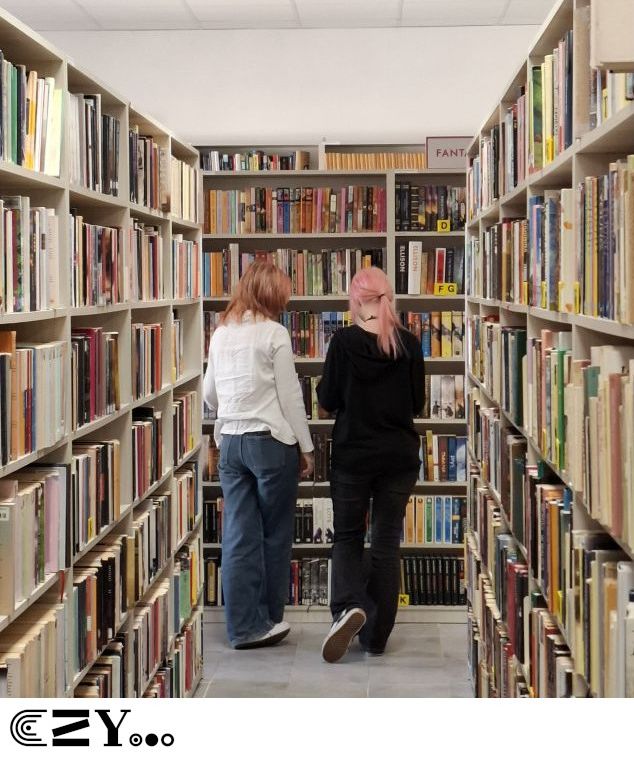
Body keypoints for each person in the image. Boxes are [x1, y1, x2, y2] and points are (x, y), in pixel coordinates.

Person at [203, 261, 314, 650]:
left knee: (238, 535)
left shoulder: (220, 334)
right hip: (269, 442)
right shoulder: (274, 333)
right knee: (274, 533)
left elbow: (210, 395)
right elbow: (290, 396)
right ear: (271, 295)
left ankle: (242, 628)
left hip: (230, 444)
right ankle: (268, 620)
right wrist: (306, 447)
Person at [317, 266, 425, 663]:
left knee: (347, 536)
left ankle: (349, 607)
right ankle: (376, 638)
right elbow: (417, 403)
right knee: (385, 543)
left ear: (356, 301)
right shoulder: (409, 344)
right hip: (398, 458)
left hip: (353, 457)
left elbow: (327, 399)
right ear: (387, 298)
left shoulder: (343, 343)